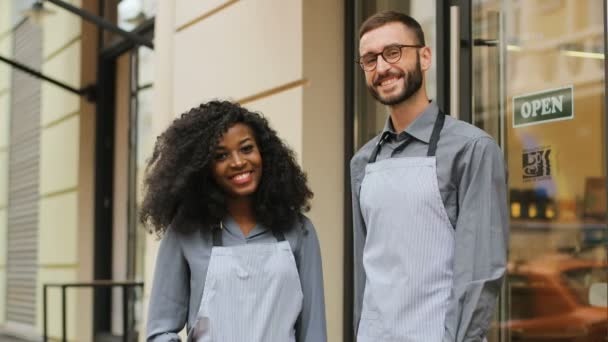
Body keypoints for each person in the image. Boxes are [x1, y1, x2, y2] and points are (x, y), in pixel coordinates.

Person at [350, 11, 508, 342]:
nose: (381, 68)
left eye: (393, 52)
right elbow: (364, 274)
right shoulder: (363, 162)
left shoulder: (472, 149)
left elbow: (479, 274)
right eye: (369, 59)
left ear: (424, 57)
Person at [141, 101, 327, 342]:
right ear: (203, 168)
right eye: (221, 155)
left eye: (246, 148)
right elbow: (160, 332)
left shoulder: (299, 231)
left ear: (264, 153)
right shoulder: (185, 233)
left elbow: (314, 332)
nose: (238, 162)